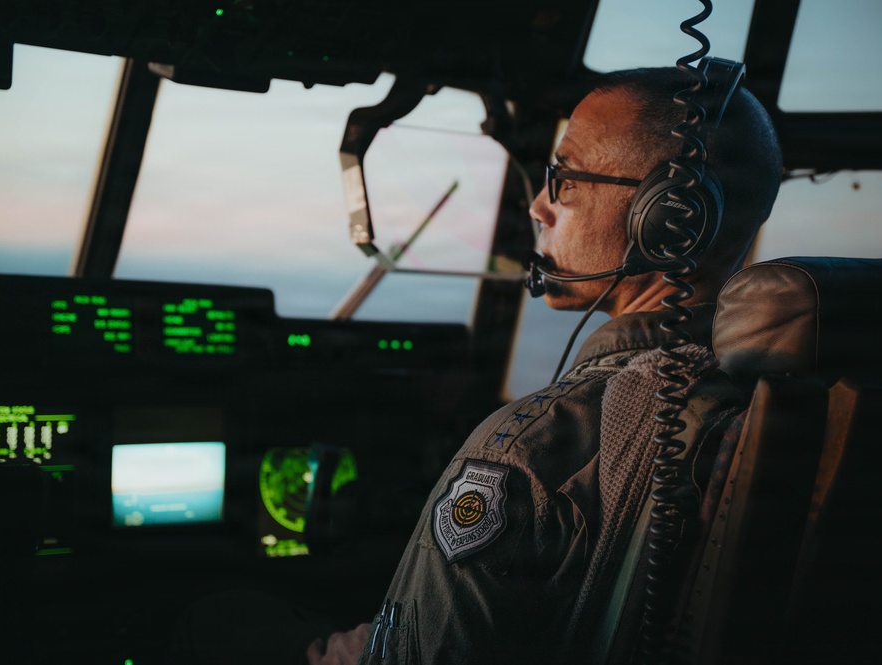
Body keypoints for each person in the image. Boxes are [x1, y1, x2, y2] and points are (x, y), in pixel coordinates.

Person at [306, 65, 783, 665]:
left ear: (667, 216)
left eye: (563, 179)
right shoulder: (777, 391)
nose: (537, 205)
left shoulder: (535, 448)